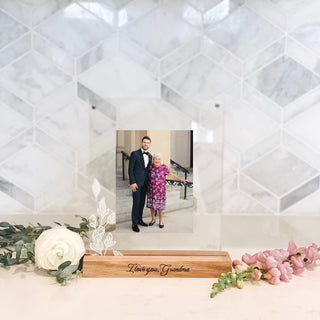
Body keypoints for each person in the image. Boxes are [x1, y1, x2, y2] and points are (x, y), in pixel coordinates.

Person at [147, 153, 187, 229]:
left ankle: (161, 220)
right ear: (153, 160)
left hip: (160, 191)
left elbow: (171, 175)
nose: (157, 160)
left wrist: (181, 180)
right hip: (151, 190)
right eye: (155, 159)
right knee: (152, 206)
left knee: (160, 207)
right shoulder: (150, 167)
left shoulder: (164, 167)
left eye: (158, 159)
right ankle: (153, 219)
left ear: (161, 160)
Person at [128, 136, 152, 232]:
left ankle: (139, 219)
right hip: (136, 183)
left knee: (142, 203)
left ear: (149, 145)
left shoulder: (150, 156)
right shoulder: (134, 154)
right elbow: (130, 169)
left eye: (148, 143)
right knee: (136, 203)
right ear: (141, 143)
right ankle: (134, 223)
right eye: (144, 142)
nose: (146, 144)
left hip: (145, 184)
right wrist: (132, 182)